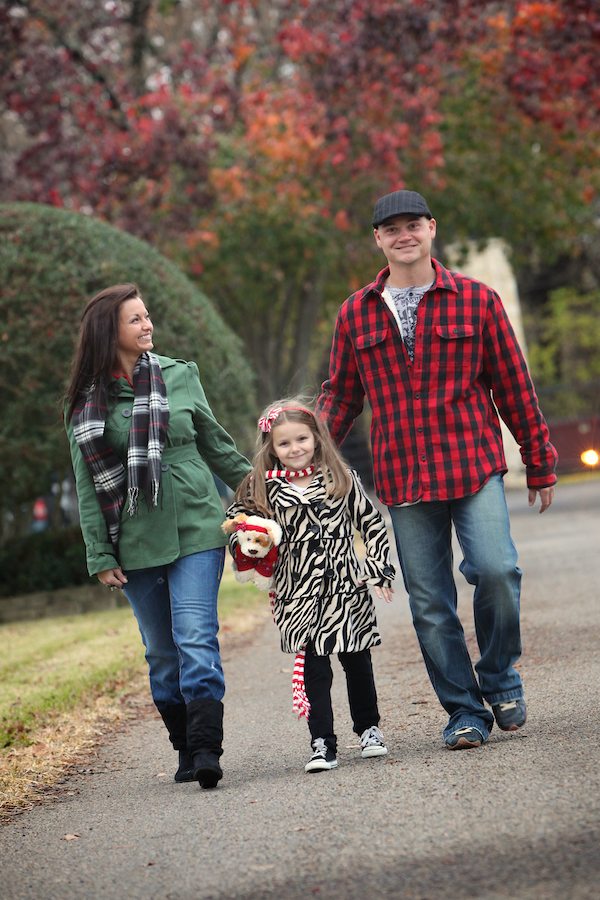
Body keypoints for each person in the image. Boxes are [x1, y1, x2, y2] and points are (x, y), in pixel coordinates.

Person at [316, 189, 558, 750]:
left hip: (472, 464)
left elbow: (513, 385)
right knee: (428, 602)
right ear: (378, 239)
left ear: (431, 229)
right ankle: (464, 711)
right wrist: (304, 453)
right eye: (391, 228)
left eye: (413, 225)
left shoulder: (477, 299)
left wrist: (540, 461)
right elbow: (341, 396)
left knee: (496, 570)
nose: (404, 235)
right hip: (403, 477)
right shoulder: (356, 312)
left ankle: (499, 678)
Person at [65, 283, 251, 788]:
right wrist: (100, 554)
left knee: (195, 636)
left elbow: (218, 445)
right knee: (162, 656)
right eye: (136, 320)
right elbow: (88, 488)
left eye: (148, 317)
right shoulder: (87, 405)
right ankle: (185, 748)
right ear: (110, 332)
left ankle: (208, 750)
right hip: (135, 539)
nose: (148, 325)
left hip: (195, 525)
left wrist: (264, 495)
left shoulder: (180, 374)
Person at [225, 399, 395, 773]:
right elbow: (238, 526)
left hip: (345, 588)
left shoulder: (340, 477)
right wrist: (252, 540)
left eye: (302, 439)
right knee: (314, 669)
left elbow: (372, 524)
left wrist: (379, 568)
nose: (295, 448)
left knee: (357, 661)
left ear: (316, 438)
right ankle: (322, 742)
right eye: (284, 444)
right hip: (297, 592)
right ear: (272, 448)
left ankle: (369, 729)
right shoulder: (261, 488)